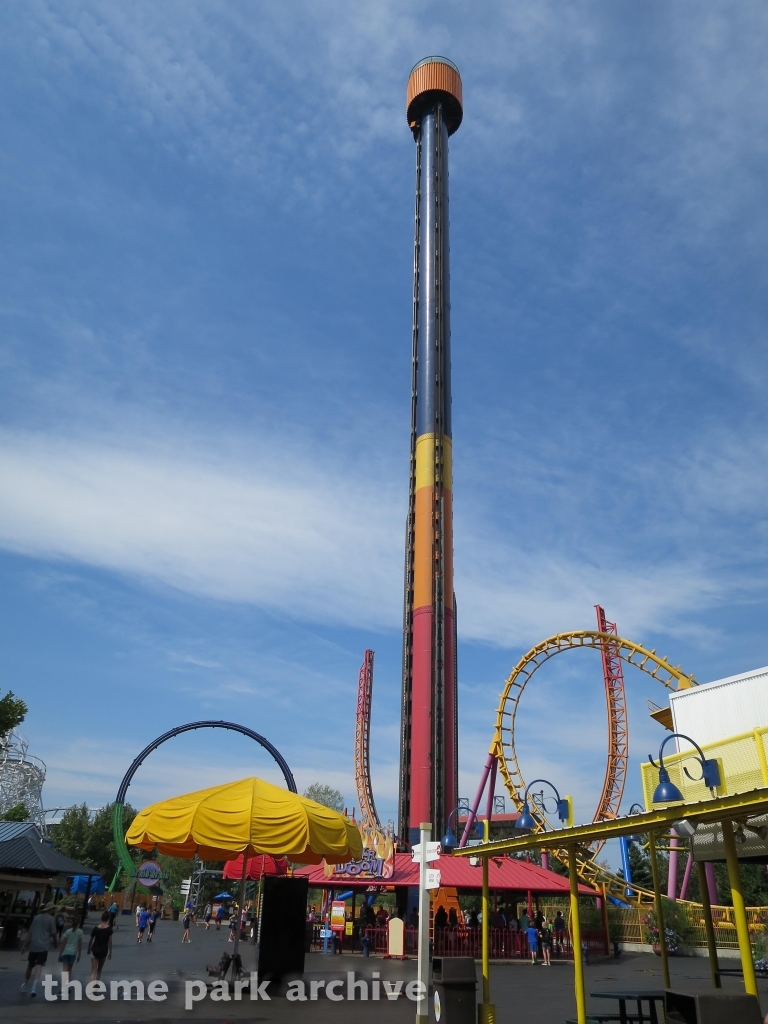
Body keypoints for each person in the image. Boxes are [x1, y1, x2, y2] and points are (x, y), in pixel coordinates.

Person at [21, 903, 57, 997]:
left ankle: (25, 985)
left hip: (34, 945)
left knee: (30, 965)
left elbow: (30, 933)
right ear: (50, 909)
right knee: (39, 966)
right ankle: (34, 987)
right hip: (44, 946)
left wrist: (24, 945)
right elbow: (53, 933)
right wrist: (56, 942)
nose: (53, 910)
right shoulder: (51, 919)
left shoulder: (36, 918)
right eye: (53, 909)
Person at [87, 911, 113, 982]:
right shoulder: (109, 929)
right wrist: (110, 952)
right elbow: (110, 941)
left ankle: (91, 986)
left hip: (95, 949)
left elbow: (91, 939)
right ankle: (97, 984)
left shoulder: (96, 928)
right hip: (103, 950)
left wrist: (89, 949)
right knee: (99, 969)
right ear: (108, 919)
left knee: (93, 971)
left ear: (101, 918)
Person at [58, 917, 83, 987]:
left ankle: (63, 985)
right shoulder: (80, 932)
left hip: (66, 952)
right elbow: (80, 944)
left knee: (64, 969)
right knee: (70, 969)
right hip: (73, 953)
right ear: (78, 923)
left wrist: (60, 953)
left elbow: (63, 943)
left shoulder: (68, 931)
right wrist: (79, 954)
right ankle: (67, 984)